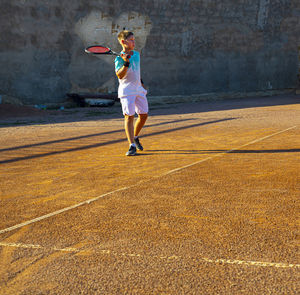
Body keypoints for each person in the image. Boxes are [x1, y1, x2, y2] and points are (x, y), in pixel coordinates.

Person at [115, 30, 148, 156]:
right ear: (124, 42)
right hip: (127, 91)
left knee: (144, 115)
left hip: (139, 90)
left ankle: (135, 136)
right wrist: (126, 62)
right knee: (129, 116)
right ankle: (131, 145)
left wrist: (141, 82)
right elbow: (120, 75)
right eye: (132, 40)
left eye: (134, 40)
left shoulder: (137, 55)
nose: (134, 42)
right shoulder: (118, 58)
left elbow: (136, 71)